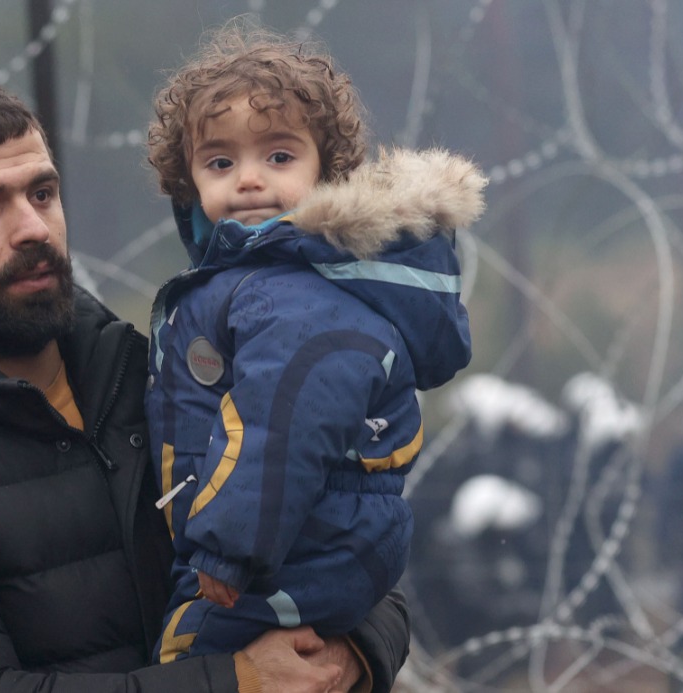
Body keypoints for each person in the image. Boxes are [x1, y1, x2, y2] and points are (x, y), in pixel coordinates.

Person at [0, 77, 410, 692]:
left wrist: (349, 652)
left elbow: (346, 545)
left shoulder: (152, 379)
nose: (33, 229)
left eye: (42, 193)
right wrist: (237, 684)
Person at [143, 21, 485, 657]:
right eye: (220, 162)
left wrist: (227, 545)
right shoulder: (261, 279)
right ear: (189, 184)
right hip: (302, 542)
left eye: (279, 156)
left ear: (329, 173)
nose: (248, 179)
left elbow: (284, 420)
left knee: (192, 659)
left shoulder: (295, 291)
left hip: (287, 550)